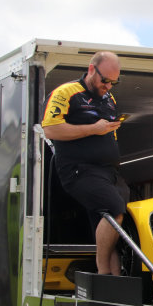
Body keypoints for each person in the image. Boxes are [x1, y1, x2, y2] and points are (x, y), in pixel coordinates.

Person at [41, 51, 128, 275]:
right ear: (91, 69)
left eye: (113, 82)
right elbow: (50, 129)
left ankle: (115, 281)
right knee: (114, 209)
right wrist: (93, 129)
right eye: (105, 80)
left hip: (108, 171)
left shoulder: (110, 99)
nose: (108, 86)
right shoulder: (66, 92)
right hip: (80, 170)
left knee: (112, 221)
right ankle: (102, 273)